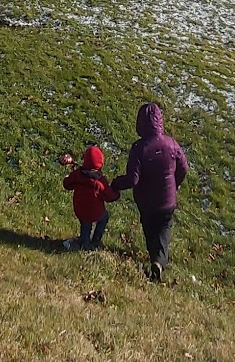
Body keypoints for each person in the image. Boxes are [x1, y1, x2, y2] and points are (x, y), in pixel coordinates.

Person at [112, 102, 188, 281]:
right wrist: (175, 184)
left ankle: (156, 259)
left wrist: (116, 184)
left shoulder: (139, 148)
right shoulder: (171, 144)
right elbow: (184, 168)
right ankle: (159, 261)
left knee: (150, 230)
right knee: (164, 228)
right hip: (167, 201)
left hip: (146, 202)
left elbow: (133, 179)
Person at [62, 145, 120, 251]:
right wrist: (117, 193)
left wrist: (66, 178)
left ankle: (84, 242)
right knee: (104, 217)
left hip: (80, 209)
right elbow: (109, 196)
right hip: (96, 211)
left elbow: (67, 185)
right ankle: (95, 241)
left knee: (85, 224)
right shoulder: (100, 181)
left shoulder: (78, 174)